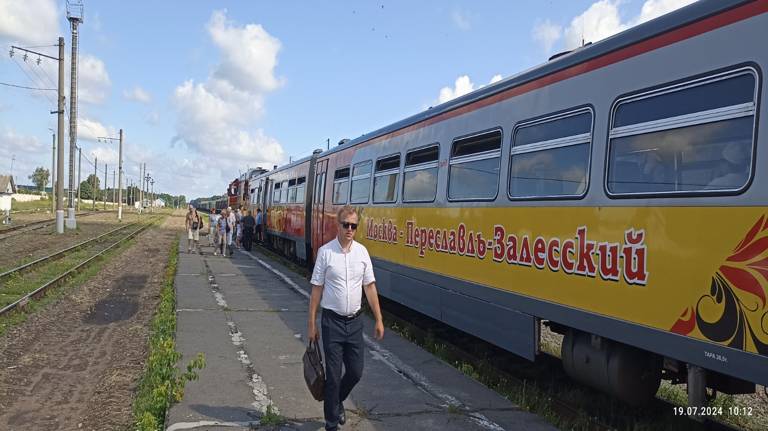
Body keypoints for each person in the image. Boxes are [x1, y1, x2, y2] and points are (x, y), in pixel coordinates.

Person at [307, 206, 384, 431]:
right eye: (346, 225)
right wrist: (311, 323)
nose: (350, 229)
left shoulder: (362, 253)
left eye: (354, 226)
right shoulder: (325, 252)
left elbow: (369, 287)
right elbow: (316, 290)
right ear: (337, 225)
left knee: (355, 372)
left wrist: (378, 318)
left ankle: (336, 400)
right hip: (332, 322)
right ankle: (331, 423)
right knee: (332, 375)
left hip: (355, 322)